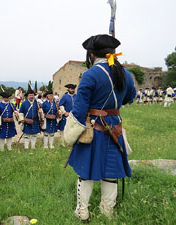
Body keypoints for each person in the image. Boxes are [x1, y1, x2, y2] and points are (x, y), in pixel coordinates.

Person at [65, 34, 136, 221]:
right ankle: (107, 212)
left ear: (92, 54)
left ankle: (82, 211)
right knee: (111, 173)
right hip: (115, 128)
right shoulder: (125, 74)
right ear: (111, 52)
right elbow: (130, 97)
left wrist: (73, 130)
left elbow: (79, 109)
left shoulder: (91, 74)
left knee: (85, 173)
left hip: (93, 128)